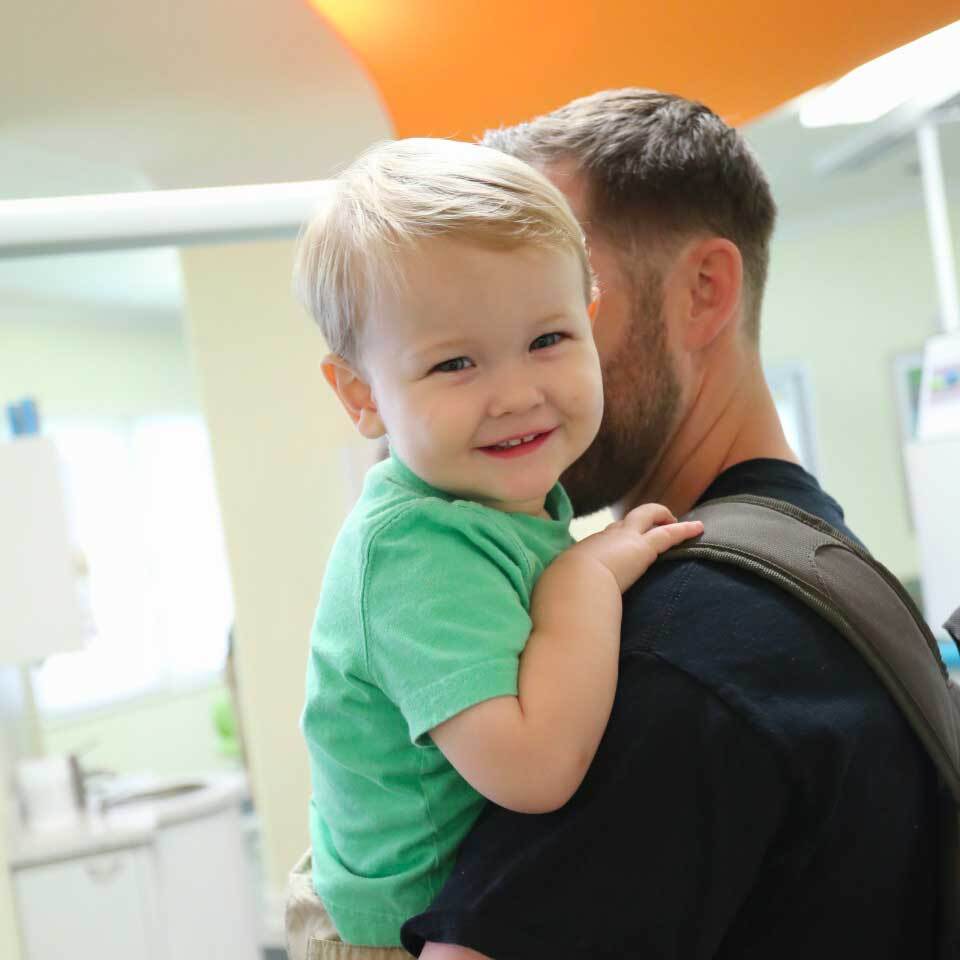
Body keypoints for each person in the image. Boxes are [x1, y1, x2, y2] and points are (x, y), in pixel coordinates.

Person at [402, 90, 940, 959]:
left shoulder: (678, 654)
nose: (501, 393)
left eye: (554, 317)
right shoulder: (825, 564)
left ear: (702, 293)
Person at [290, 136, 703, 954]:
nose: (517, 394)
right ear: (362, 395)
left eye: (547, 340)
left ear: (590, 326)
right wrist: (583, 579)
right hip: (385, 938)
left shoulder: (492, 505)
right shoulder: (413, 550)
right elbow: (536, 770)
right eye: (454, 363)